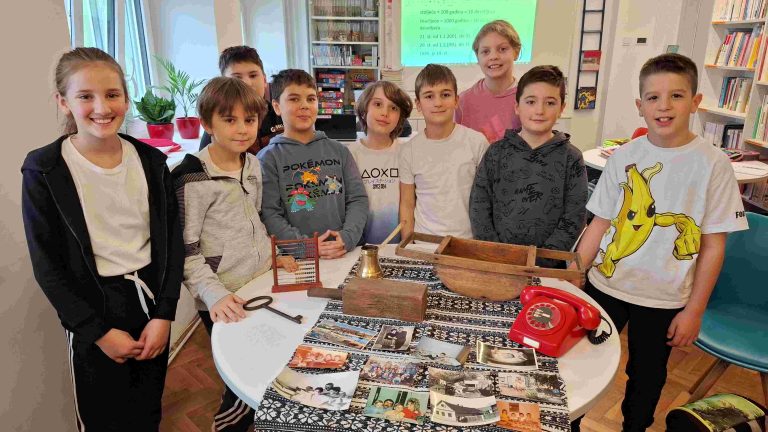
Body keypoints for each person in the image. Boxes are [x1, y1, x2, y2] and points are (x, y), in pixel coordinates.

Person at [569, 53, 749, 432]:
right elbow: (599, 224)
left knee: (647, 377)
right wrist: (574, 277)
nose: (664, 106)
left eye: (676, 96)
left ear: (695, 102)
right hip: (605, 286)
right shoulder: (624, 157)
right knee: (582, 364)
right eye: (653, 97)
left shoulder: (713, 164)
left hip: (664, 299)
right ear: (640, 106)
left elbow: (713, 246)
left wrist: (694, 311)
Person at [21, 47, 183, 430]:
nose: (101, 107)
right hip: (94, 311)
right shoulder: (44, 170)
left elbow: (171, 244)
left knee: (147, 410)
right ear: (63, 102)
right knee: (103, 418)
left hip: (149, 304)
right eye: (85, 96)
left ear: (126, 98)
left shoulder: (151, 162)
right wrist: (97, 332)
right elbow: (47, 265)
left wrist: (164, 314)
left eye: (112, 94)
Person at [172, 77, 297, 432]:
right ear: (207, 123)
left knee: (267, 363)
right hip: (223, 297)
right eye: (230, 120)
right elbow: (186, 251)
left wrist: (273, 255)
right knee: (241, 379)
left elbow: (253, 222)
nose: (242, 129)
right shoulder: (189, 178)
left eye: (249, 120)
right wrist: (214, 294)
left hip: (259, 284)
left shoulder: (253, 165)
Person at [469, 66, 587, 264]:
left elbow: (574, 218)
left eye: (550, 103)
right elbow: (479, 207)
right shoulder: (496, 152)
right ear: (517, 107)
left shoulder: (572, 158)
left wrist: (540, 262)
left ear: (562, 108)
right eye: (531, 102)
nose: (539, 110)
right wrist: (497, 255)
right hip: (496, 262)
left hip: (547, 268)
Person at [257, 69, 368, 258]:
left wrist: (347, 237)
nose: (304, 106)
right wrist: (306, 247)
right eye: (294, 99)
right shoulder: (267, 158)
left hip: (344, 252)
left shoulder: (339, 151)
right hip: (299, 260)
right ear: (276, 106)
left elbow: (357, 198)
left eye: (311, 99)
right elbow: (270, 214)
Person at [399, 64, 489, 240]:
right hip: (423, 244)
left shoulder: (477, 142)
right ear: (418, 104)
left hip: (467, 243)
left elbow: (488, 201)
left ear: (456, 100)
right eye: (429, 96)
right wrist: (408, 244)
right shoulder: (409, 150)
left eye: (445, 95)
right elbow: (407, 205)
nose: (438, 103)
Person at [349, 81, 413, 244]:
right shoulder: (349, 154)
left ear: (400, 118)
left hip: (398, 247)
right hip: (358, 247)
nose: (385, 113)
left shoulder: (407, 152)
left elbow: (410, 204)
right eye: (378, 104)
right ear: (364, 111)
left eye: (394, 108)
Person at [199, 45, 283, 154]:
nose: (247, 83)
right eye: (237, 78)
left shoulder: (282, 114)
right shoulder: (216, 128)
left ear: (264, 79)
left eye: (253, 75)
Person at [455, 20, 523, 143]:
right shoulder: (463, 101)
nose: (493, 56)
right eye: (485, 51)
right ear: (477, 57)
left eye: (502, 49)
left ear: (516, 52)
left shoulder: (528, 99)